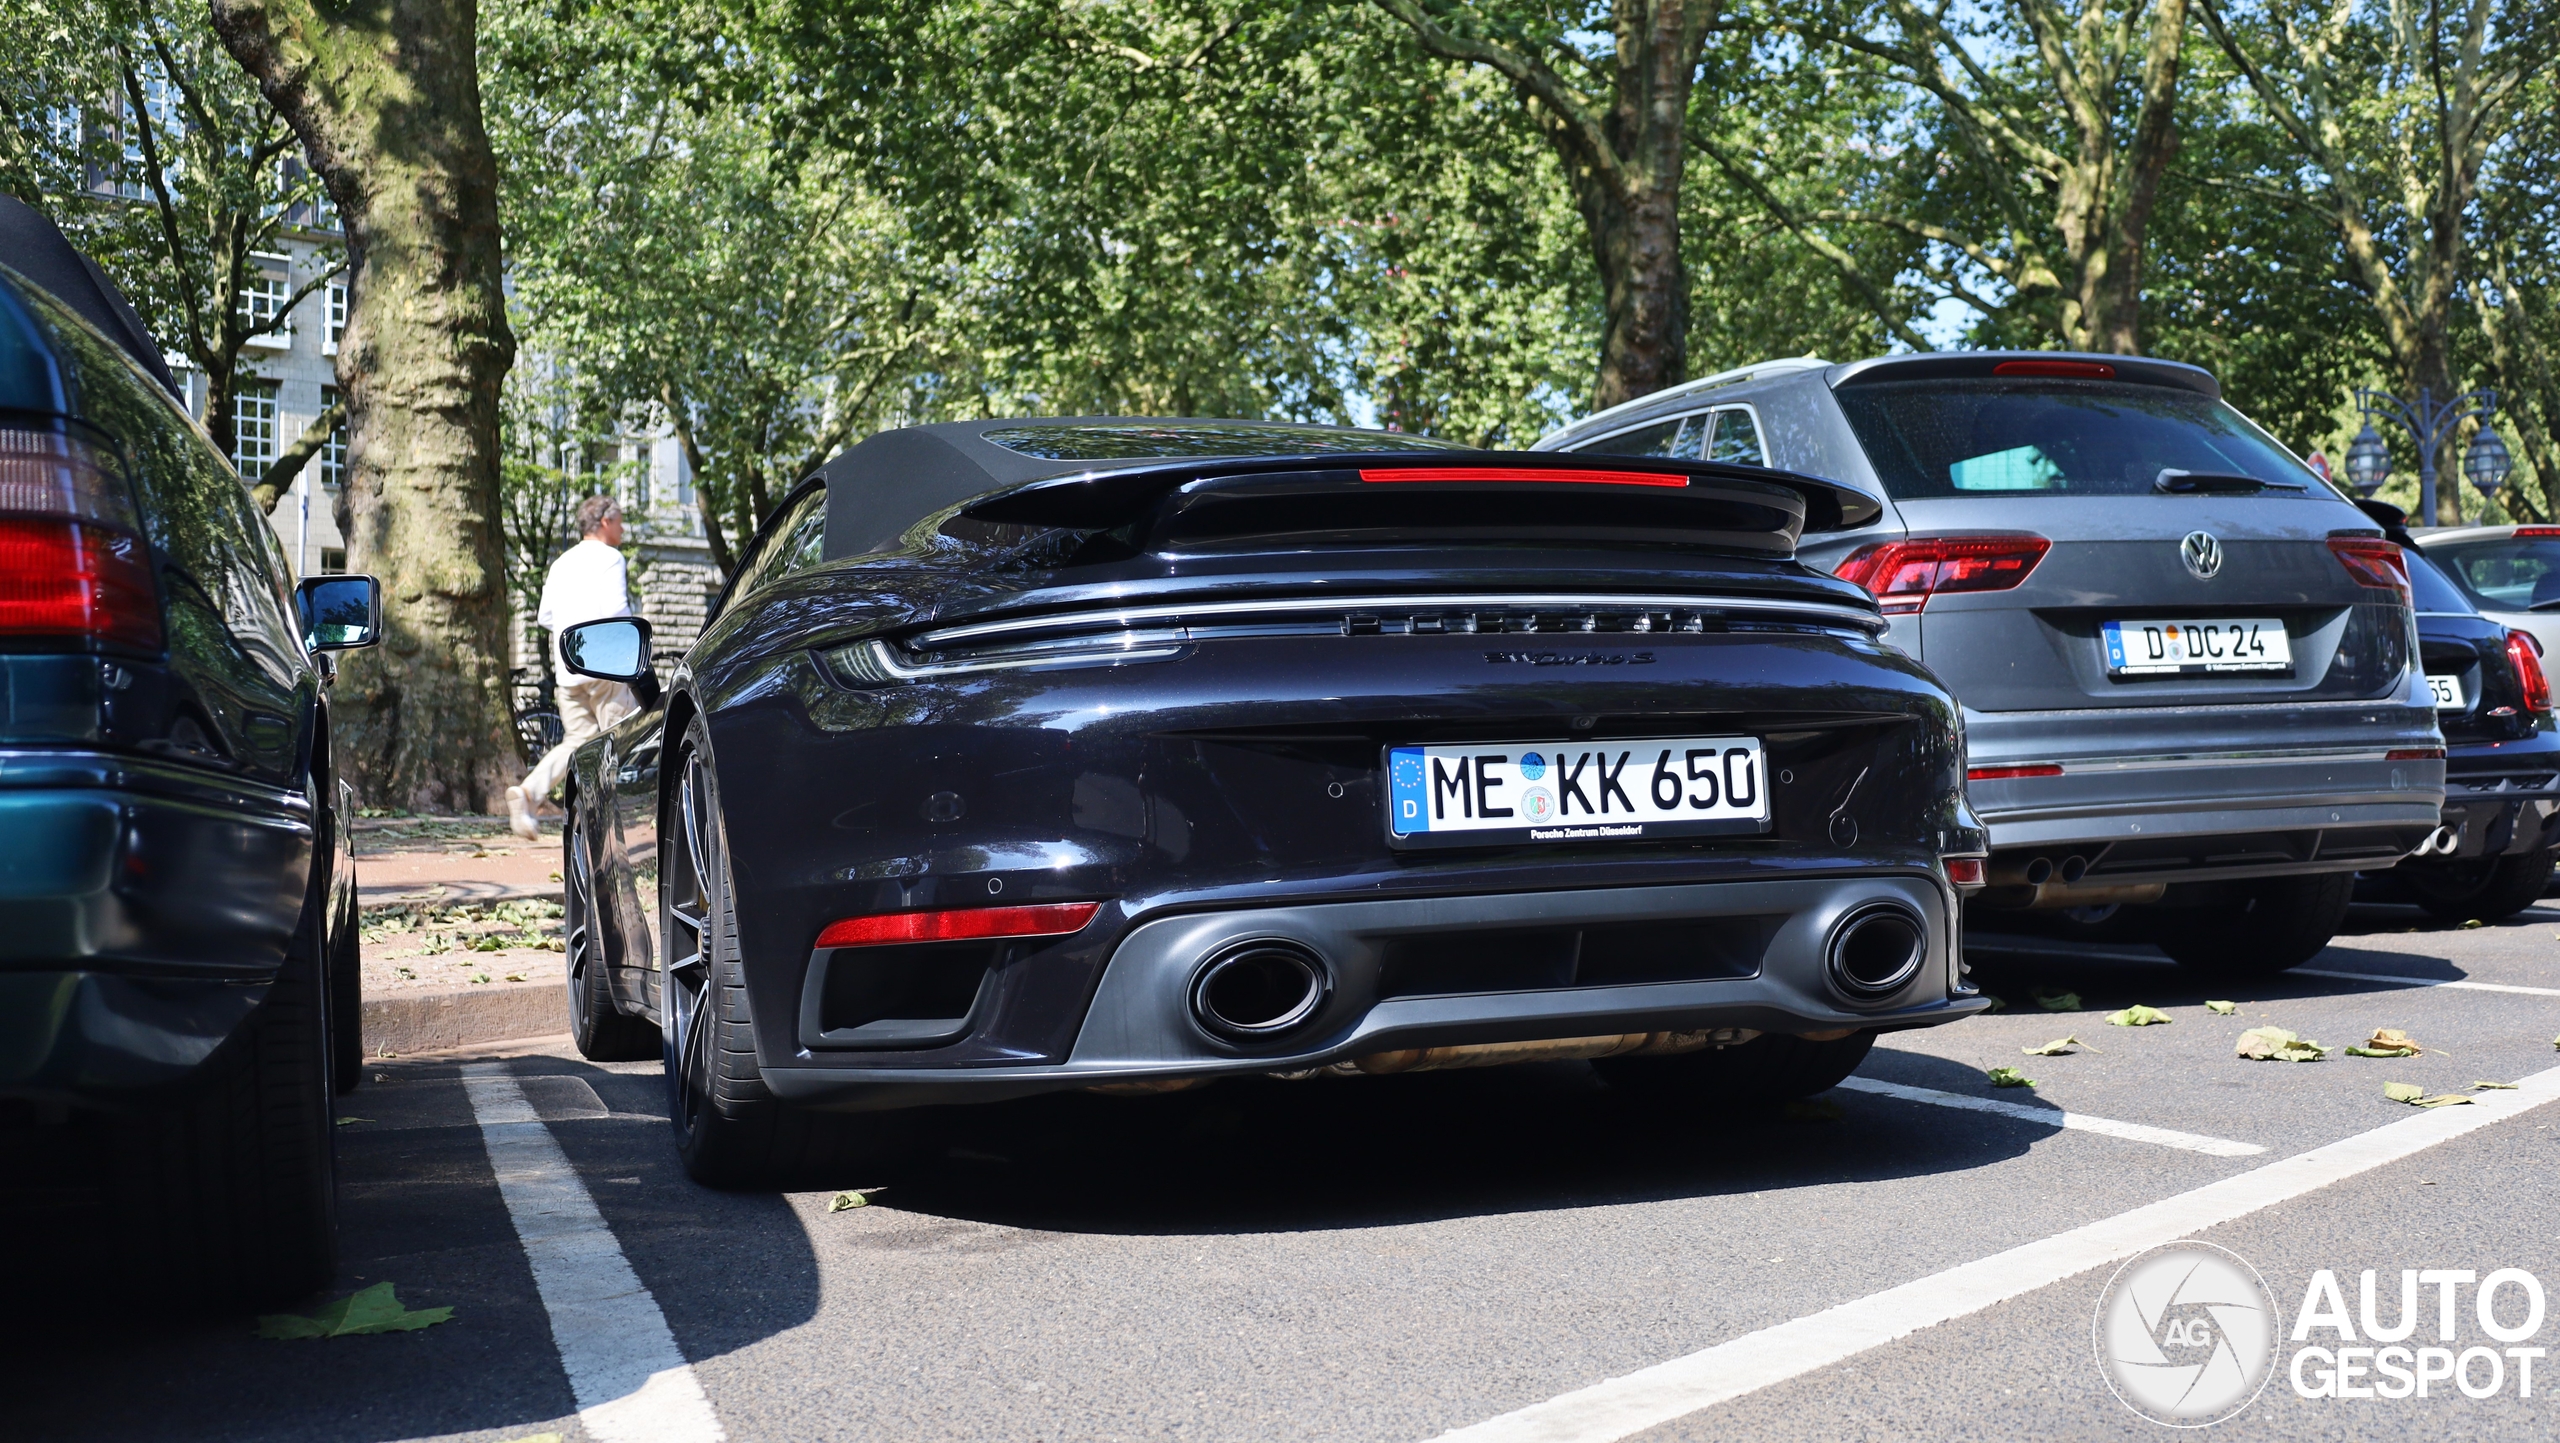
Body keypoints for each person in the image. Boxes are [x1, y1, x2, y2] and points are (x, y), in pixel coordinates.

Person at [508, 496, 638, 840]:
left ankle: (528, 793)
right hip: (607, 667)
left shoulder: (561, 563)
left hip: (569, 669)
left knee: (578, 741)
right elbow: (616, 609)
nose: (623, 528)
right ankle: (611, 827)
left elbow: (545, 617)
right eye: (620, 521)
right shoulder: (611, 558)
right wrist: (631, 648)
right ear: (606, 522)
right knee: (619, 740)